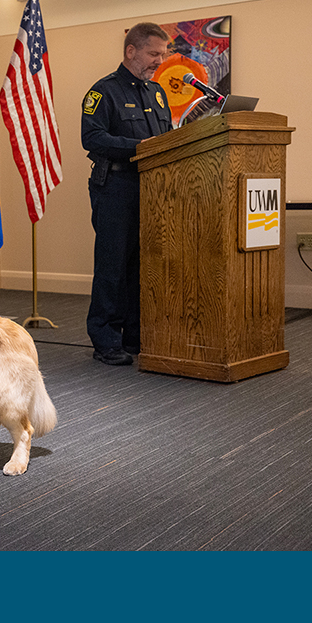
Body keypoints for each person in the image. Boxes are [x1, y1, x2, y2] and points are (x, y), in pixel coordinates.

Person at [81, 21, 174, 366]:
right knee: (113, 265)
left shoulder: (157, 93)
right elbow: (92, 138)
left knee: (142, 265)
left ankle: (134, 336)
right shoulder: (103, 92)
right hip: (116, 187)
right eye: (153, 54)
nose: (159, 61)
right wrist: (139, 146)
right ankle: (105, 338)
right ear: (131, 51)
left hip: (152, 188)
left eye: (162, 55)